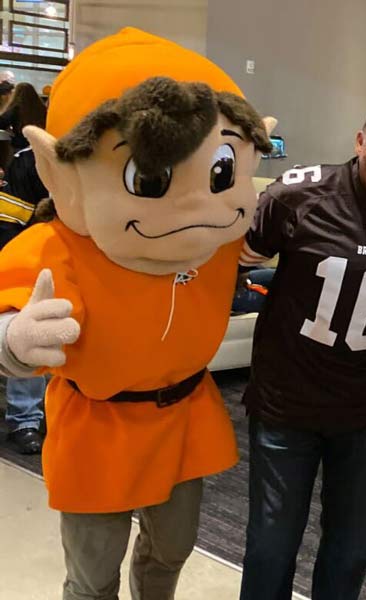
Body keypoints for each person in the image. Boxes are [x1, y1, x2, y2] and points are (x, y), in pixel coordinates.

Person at [0, 28, 274, 599]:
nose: (198, 207)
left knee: (169, 554)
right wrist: (15, 339)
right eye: (150, 178)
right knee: (93, 575)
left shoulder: (219, 240)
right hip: (99, 427)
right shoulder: (54, 247)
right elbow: (9, 313)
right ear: (59, 171)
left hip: (183, 419)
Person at [238, 99, 366, 600]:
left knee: (351, 551)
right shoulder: (296, 194)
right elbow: (236, 263)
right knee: (270, 550)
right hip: (285, 404)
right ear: (360, 142)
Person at [1, 142, 51, 454]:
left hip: (85, 263)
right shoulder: (29, 160)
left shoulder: (107, 156)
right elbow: (8, 225)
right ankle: (25, 419)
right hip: (30, 262)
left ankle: (50, 411)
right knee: (29, 336)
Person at [0, 82, 47, 155]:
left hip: (21, 145)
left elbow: (2, 123)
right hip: (40, 143)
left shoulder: (15, 108)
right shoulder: (42, 108)